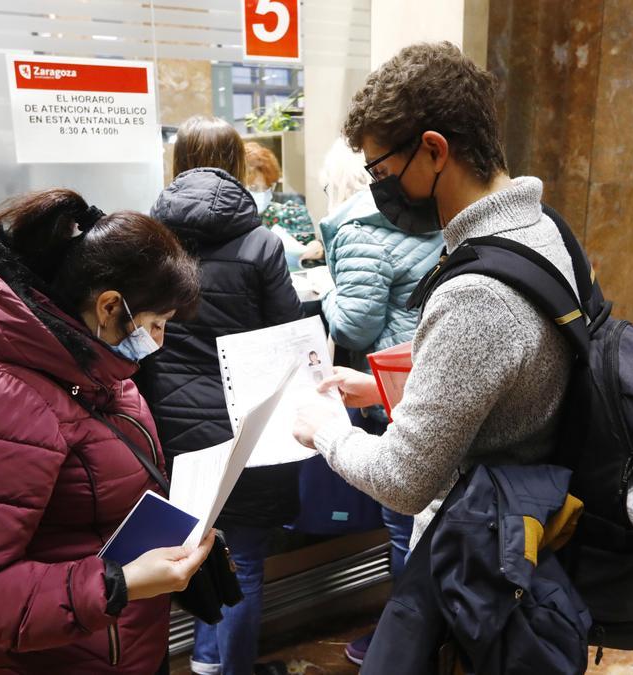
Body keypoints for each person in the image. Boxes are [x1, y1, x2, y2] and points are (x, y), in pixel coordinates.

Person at [293, 42, 577, 563]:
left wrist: (327, 431)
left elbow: (404, 481)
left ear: (434, 150)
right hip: (530, 522)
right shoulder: (544, 226)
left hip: (481, 558)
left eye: (380, 171)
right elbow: (497, 381)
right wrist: (388, 392)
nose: (379, 189)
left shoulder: (476, 293)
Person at [0, 190, 211, 675]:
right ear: (111, 307)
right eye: (155, 324)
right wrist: (118, 585)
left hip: (115, 643)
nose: (159, 340)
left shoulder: (93, 369)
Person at [137, 116, 301, 675]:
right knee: (245, 562)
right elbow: (287, 334)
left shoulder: (146, 241)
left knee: (184, 553)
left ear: (178, 163)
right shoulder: (261, 243)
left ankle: (203, 662)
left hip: (167, 424)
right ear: (235, 163)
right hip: (244, 426)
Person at [311, 136, 444, 665]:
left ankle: (402, 632)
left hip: (390, 381)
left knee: (402, 515)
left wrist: (326, 290)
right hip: (419, 370)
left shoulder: (357, 229)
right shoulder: (431, 217)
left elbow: (356, 321)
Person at [244, 141, 323, 270]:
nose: (261, 192)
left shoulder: (290, 213)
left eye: (267, 187)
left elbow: (311, 254)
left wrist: (315, 249)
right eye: (253, 187)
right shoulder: (230, 220)